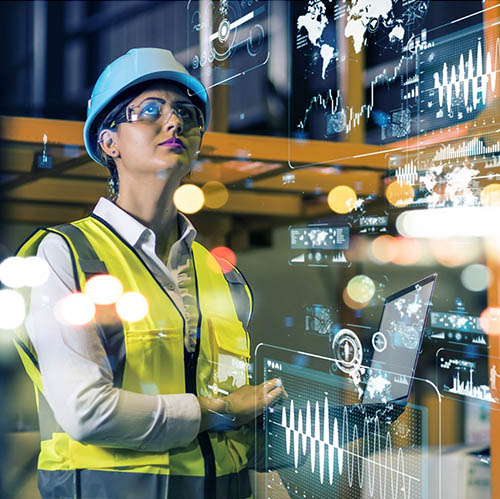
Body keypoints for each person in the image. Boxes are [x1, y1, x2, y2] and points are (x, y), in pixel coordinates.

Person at [14, 47, 285, 499]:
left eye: (186, 113)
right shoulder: (66, 256)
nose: (174, 122)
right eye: (150, 111)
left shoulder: (216, 271)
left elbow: (231, 432)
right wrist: (219, 410)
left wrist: (323, 430)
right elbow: (86, 411)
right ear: (109, 142)